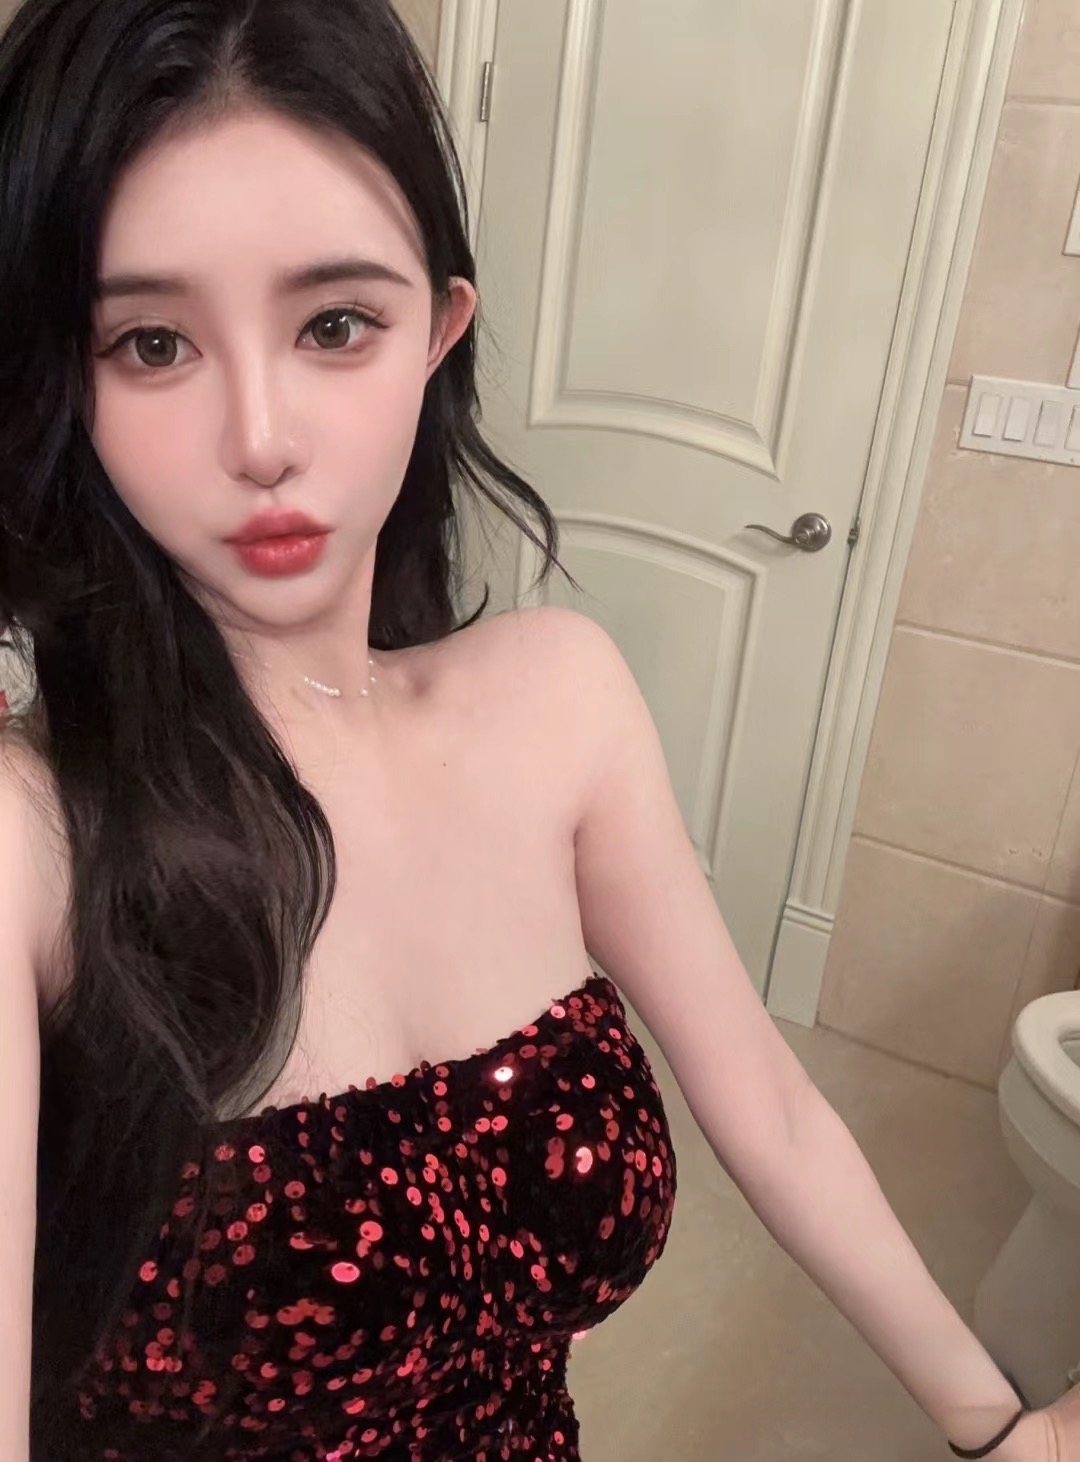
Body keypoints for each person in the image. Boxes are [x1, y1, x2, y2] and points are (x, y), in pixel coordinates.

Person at [0, 1, 1077, 1459]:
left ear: (438, 332)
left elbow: (769, 1107)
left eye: (334, 324)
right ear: (65, 381)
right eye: (151, 342)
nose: (261, 438)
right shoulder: (30, 841)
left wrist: (995, 1429)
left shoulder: (560, 697)